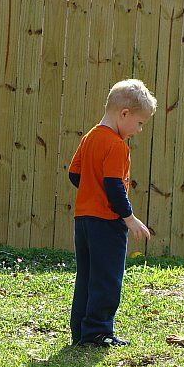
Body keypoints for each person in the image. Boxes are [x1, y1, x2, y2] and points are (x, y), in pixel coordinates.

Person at [67, 79, 156, 347]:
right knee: (107, 278)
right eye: (139, 123)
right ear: (124, 114)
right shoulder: (116, 145)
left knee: (86, 275)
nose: (139, 130)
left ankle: (81, 330)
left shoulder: (90, 137)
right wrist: (129, 219)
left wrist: (92, 190)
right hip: (107, 222)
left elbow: (75, 175)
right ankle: (98, 331)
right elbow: (115, 187)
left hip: (83, 220)